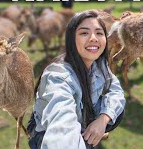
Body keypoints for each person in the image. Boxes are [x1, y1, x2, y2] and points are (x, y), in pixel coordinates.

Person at [27, 10, 126, 149]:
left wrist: (103, 120)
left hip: (82, 116)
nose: (93, 38)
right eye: (84, 33)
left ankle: (88, 134)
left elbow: (115, 89)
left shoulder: (99, 63)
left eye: (99, 33)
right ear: (71, 40)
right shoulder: (57, 77)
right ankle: (85, 139)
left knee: (118, 112)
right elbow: (61, 127)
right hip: (44, 134)